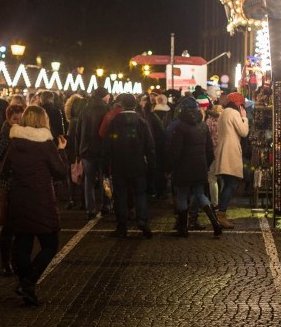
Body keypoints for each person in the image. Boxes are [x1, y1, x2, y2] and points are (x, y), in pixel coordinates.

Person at [6, 105, 67, 306]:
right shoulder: (45, 143)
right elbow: (59, 171)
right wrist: (61, 151)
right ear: (43, 121)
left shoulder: (14, 141)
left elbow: (6, 167)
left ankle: (25, 283)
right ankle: (28, 281)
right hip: (41, 199)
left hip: (19, 197)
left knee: (22, 243)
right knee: (50, 243)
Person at [101, 93, 155, 239]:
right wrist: (152, 164)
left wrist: (105, 166)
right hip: (138, 164)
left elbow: (107, 146)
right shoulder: (141, 121)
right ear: (135, 105)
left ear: (122, 105)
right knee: (140, 194)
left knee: (120, 195)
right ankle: (142, 220)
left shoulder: (114, 121)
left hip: (119, 164)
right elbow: (150, 146)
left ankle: (122, 226)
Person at [168, 94, 221, 237]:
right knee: (200, 194)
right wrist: (206, 165)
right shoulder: (203, 126)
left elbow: (176, 151)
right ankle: (216, 224)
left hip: (183, 168)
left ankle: (183, 229)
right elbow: (209, 150)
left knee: (182, 195)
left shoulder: (180, 127)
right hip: (200, 167)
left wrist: (171, 167)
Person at [0, 103, 25, 275]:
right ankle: (6, 262)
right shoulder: (3, 136)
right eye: (14, 118)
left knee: (18, 226)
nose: (17, 121)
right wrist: (7, 169)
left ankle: (16, 261)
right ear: (8, 118)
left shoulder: (24, 135)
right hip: (6, 186)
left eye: (20, 118)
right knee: (9, 226)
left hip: (20, 185)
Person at [210, 92, 249, 229]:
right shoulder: (234, 113)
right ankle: (221, 215)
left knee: (227, 184)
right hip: (230, 152)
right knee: (231, 184)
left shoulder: (224, 113)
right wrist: (244, 118)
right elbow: (244, 132)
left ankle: (220, 213)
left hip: (223, 151)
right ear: (238, 104)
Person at [75, 87, 112, 219]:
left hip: (87, 149)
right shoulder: (107, 109)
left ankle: (90, 208)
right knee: (106, 179)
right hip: (102, 150)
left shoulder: (85, 109)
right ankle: (106, 205)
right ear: (103, 96)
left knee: (88, 180)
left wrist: (79, 150)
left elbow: (78, 131)